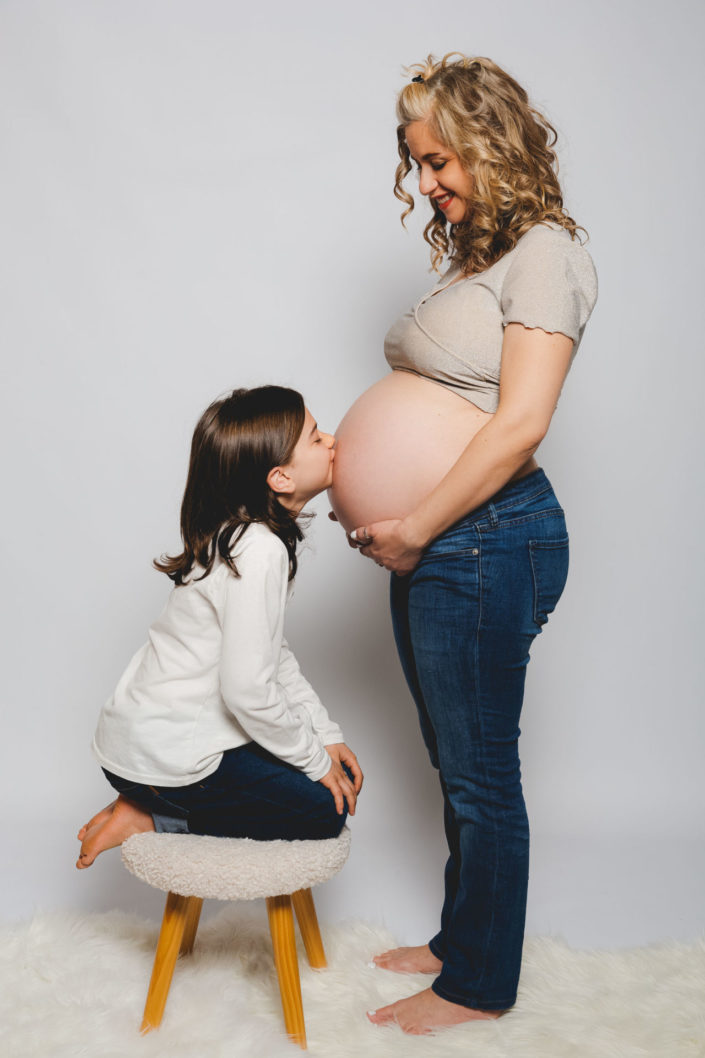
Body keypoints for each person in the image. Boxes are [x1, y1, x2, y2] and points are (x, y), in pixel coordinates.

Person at [328, 54, 598, 1034]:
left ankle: (478, 983)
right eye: (418, 162)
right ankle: (461, 936)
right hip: (443, 541)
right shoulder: (480, 256)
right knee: (456, 756)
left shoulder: (547, 254)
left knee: (482, 768)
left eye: (440, 160)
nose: (427, 182)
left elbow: (521, 422)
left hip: (485, 540)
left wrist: (417, 523)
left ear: (492, 144)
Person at [77, 385, 362, 869]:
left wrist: (324, 733)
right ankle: (151, 818)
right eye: (316, 438)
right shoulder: (261, 550)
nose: (333, 440)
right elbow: (249, 691)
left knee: (317, 780)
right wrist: (315, 762)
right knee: (323, 812)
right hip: (166, 762)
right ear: (280, 477)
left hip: (130, 751)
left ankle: (144, 800)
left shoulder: (237, 535)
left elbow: (275, 655)